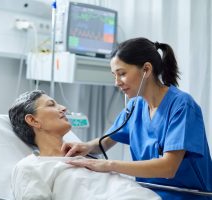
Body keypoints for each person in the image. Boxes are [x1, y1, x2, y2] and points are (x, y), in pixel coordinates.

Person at [62, 37, 212, 200]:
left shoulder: (182, 106)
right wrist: (85, 147)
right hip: (148, 193)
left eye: (122, 74)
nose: (117, 83)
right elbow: (105, 142)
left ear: (146, 69)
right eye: (114, 76)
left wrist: (109, 165)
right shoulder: (135, 106)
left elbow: (168, 167)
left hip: (187, 196)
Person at [8, 90, 161, 200]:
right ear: (33, 120)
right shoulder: (30, 167)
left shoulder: (89, 158)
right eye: (51, 105)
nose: (63, 108)